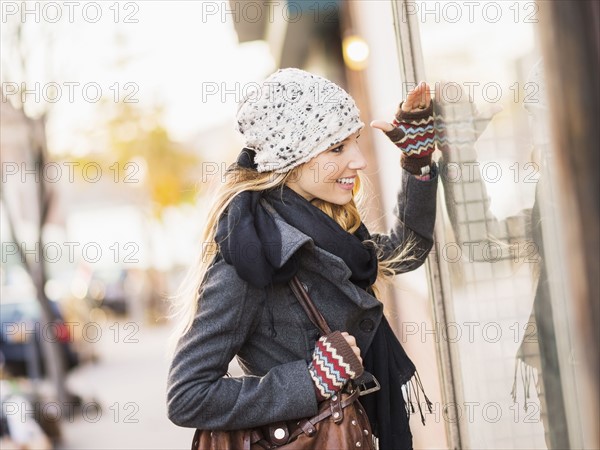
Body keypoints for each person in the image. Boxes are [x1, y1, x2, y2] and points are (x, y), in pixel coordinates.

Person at [166, 68, 438, 449]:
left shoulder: (332, 234)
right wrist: (311, 381)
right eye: (337, 148)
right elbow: (187, 396)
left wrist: (417, 159)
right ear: (293, 159)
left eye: (355, 141)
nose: (358, 160)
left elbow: (410, 247)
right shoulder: (250, 259)